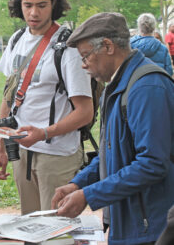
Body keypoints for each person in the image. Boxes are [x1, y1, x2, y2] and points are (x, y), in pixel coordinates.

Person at [51, 12, 174, 245]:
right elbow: (113, 153)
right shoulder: (117, 85)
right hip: (131, 224)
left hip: (151, 229)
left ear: (107, 46)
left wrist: (90, 194)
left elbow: (152, 164)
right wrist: (79, 182)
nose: (83, 64)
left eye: (85, 55)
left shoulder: (147, 87)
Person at [0, 0, 93, 215]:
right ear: (20, 4)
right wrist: (0, 147)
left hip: (57, 155)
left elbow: (85, 112)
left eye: (42, 5)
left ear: (54, 4)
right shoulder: (16, 40)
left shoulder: (67, 47)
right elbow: (9, 97)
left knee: (56, 232)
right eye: (28, 5)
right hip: (22, 151)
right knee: (29, 227)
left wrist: (44, 133)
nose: (34, 13)